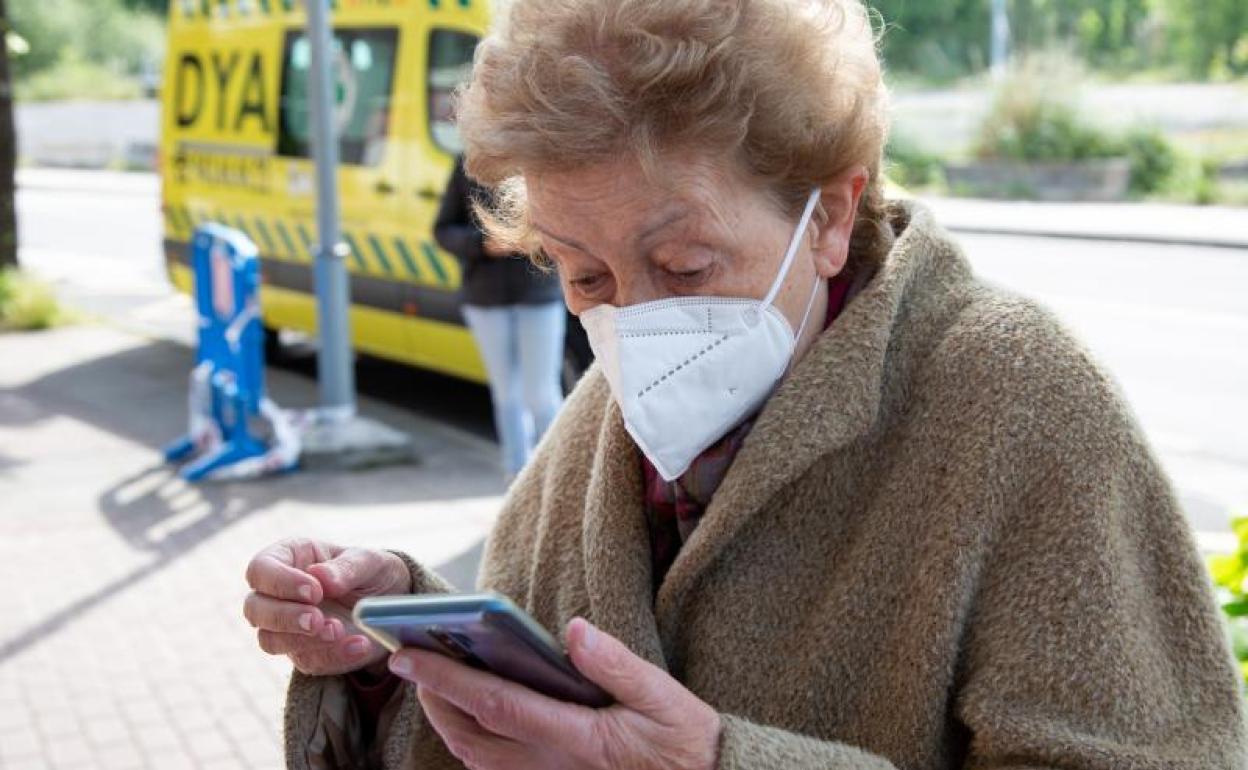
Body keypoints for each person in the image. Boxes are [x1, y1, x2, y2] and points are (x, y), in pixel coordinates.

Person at [243, 1, 1248, 768]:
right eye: (583, 274)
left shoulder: (1022, 403)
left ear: (832, 214)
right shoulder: (598, 428)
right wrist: (398, 654)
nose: (633, 324)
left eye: (685, 266)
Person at [435, 155, 566, 480]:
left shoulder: (540, 155)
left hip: (539, 293)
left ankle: (559, 475)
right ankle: (516, 475)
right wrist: (482, 245)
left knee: (541, 393)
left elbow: (569, 222)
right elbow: (442, 230)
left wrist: (535, 239)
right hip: (485, 296)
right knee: (506, 393)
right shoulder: (468, 163)